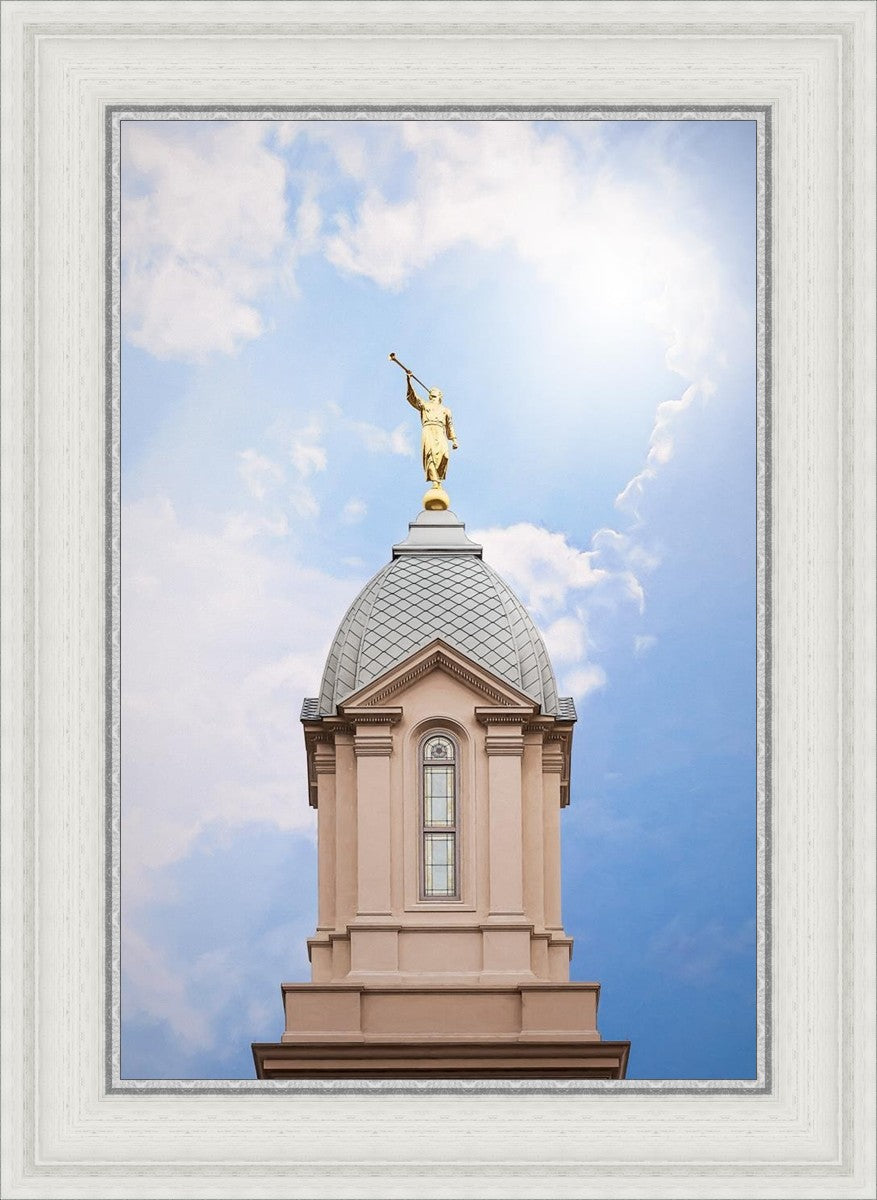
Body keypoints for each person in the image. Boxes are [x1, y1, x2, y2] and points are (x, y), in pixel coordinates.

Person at [405, 373, 458, 487]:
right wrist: (409, 381)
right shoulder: (425, 405)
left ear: (440, 395)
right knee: (430, 455)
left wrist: (454, 440)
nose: (432, 391)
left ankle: (438, 477)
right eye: (431, 391)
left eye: (435, 391)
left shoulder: (445, 410)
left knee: (445, 455)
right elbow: (413, 397)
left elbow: (450, 425)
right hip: (428, 429)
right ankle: (435, 481)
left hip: (440, 430)